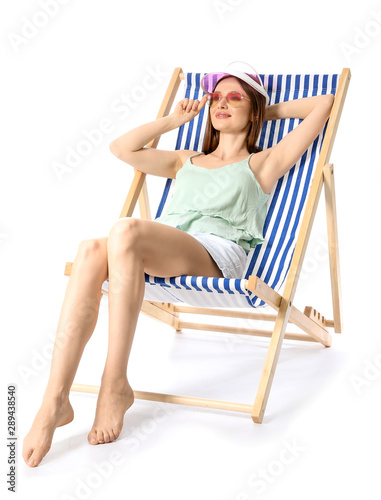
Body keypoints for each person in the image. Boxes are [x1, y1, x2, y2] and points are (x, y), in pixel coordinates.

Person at [22, 62, 334, 467]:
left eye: (233, 97)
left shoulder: (263, 164)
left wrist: (263, 110)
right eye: (215, 97)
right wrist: (175, 118)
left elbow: (324, 103)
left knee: (126, 231)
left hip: (215, 255)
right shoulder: (185, 160)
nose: (221, 103)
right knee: (89, 251)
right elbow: (121, 149)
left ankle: (114, 383)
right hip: (155, 251)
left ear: (252, 110)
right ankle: (54, 401)